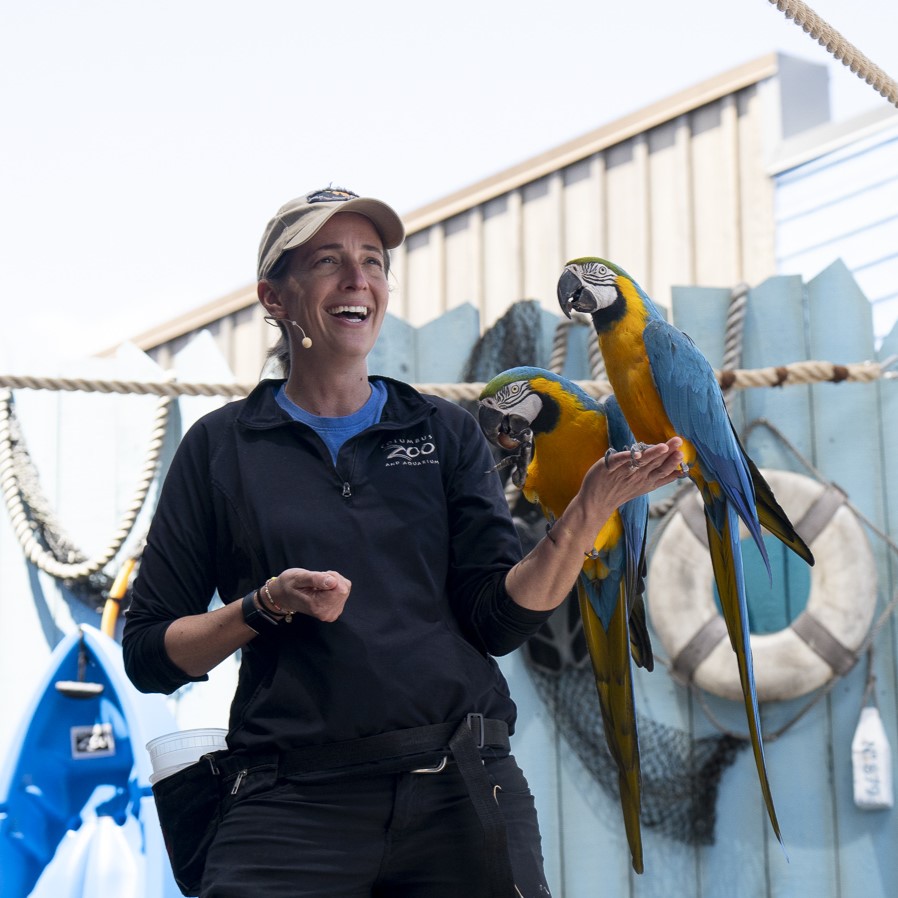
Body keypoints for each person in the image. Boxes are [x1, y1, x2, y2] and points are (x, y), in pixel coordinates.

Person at [122, 186, 684, 898]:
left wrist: (585, 513)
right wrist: (262, 605)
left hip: (459, 789)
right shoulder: (220, 449)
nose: (358, 279)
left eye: (373, 261)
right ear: (275, 297)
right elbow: (149, 655)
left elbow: (497, 619)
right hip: (288, 801)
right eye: (328, 261)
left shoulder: (443, 432)